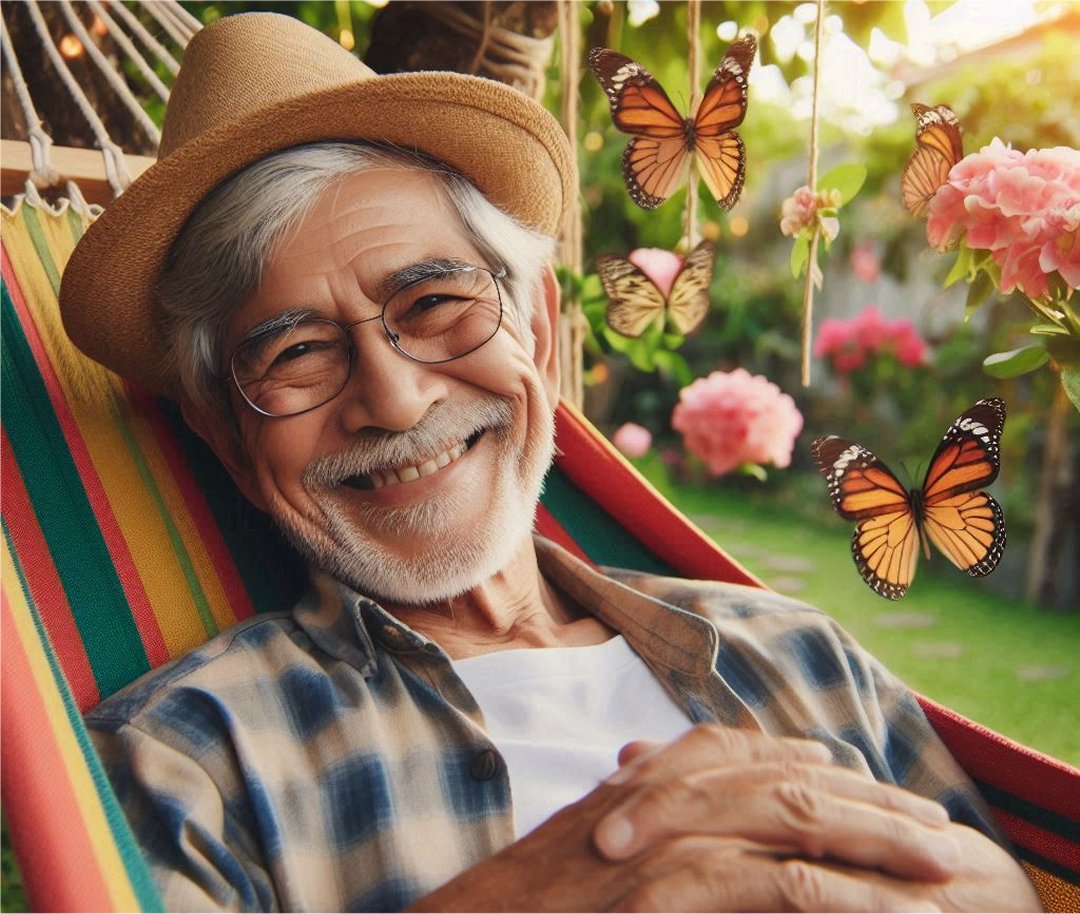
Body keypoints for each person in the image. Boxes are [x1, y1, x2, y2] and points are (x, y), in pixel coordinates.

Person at [60, 12, 1040, 913]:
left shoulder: (797, 653)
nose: (397, 399)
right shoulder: (188, 760)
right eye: (297, 352)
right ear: (231, 440)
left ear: (535, 327)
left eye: (436, 303)